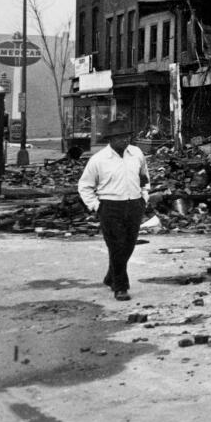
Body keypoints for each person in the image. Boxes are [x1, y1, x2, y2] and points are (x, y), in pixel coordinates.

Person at [77, 119, 150, 301]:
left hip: (134, 205)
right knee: (117, 246)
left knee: (128, 246)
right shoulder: (98, 159)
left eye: (126, 137)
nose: (124, 140)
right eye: (119, 137)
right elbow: (85, 186)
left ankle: (111, 276)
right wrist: (96, 205)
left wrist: (144, 198)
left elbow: (144, 178)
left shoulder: (137, 153)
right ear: (110, 140)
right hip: (110, 206)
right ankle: (120, 287)